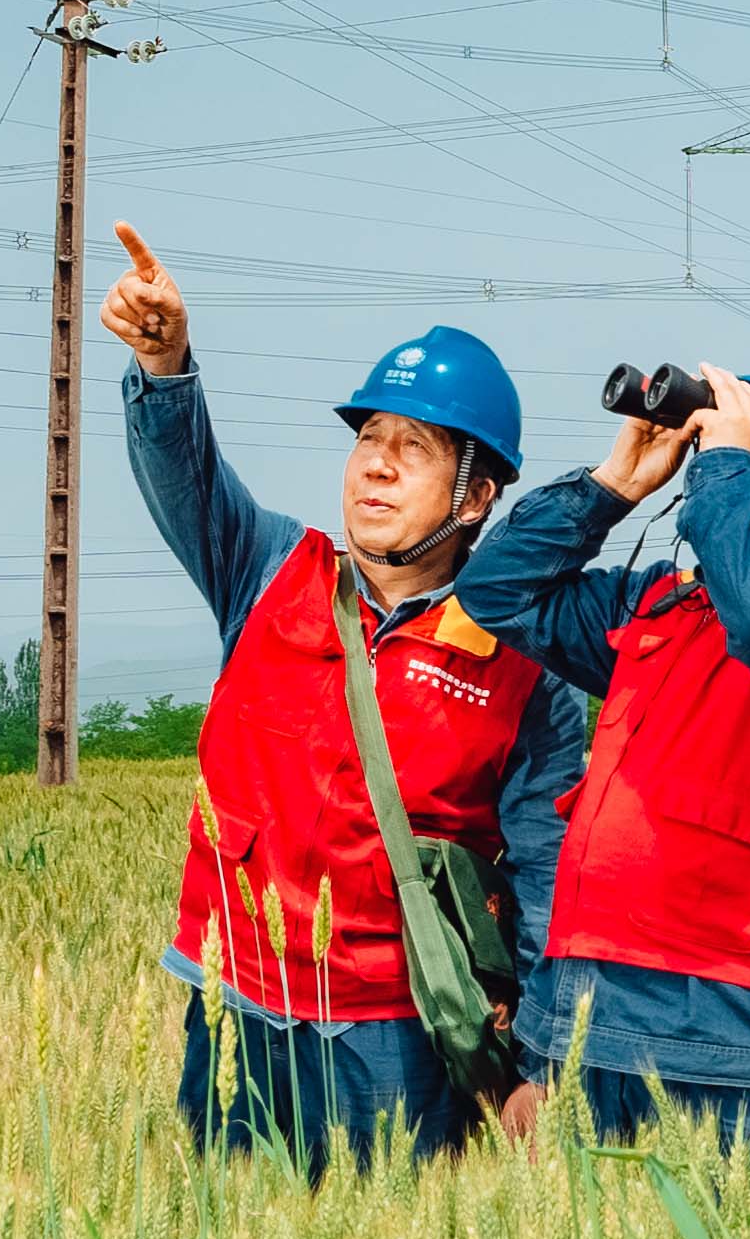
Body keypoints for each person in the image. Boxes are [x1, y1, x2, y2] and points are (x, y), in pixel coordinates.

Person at [103, 222, 574, 1170]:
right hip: (233, 1003)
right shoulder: (272, 570)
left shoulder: (525, 663)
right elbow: (185, 478)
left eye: (415, 448)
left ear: (475, 498)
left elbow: (547, 877)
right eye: (369, 438)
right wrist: (165, 366)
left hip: (395, 1034)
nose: (377, 464)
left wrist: (540, 1063)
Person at [457, 319, 750, 1165]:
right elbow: (497, 591)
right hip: (583, 1021)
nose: (733, 441)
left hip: (739, 1040)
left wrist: (722, 466)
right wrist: (613, 486)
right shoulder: (664, 604)